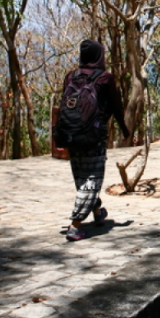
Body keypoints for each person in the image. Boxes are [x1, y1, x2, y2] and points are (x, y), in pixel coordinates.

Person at [62, 39, 130, 241]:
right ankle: (74, 226)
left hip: (71, 136)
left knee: (83, 179)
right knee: (91, 180)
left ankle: (98, 212)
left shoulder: (70, 76)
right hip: (94, 137)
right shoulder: (104, 78)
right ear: (99, 55)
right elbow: (116, 106)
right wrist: (126, 130)